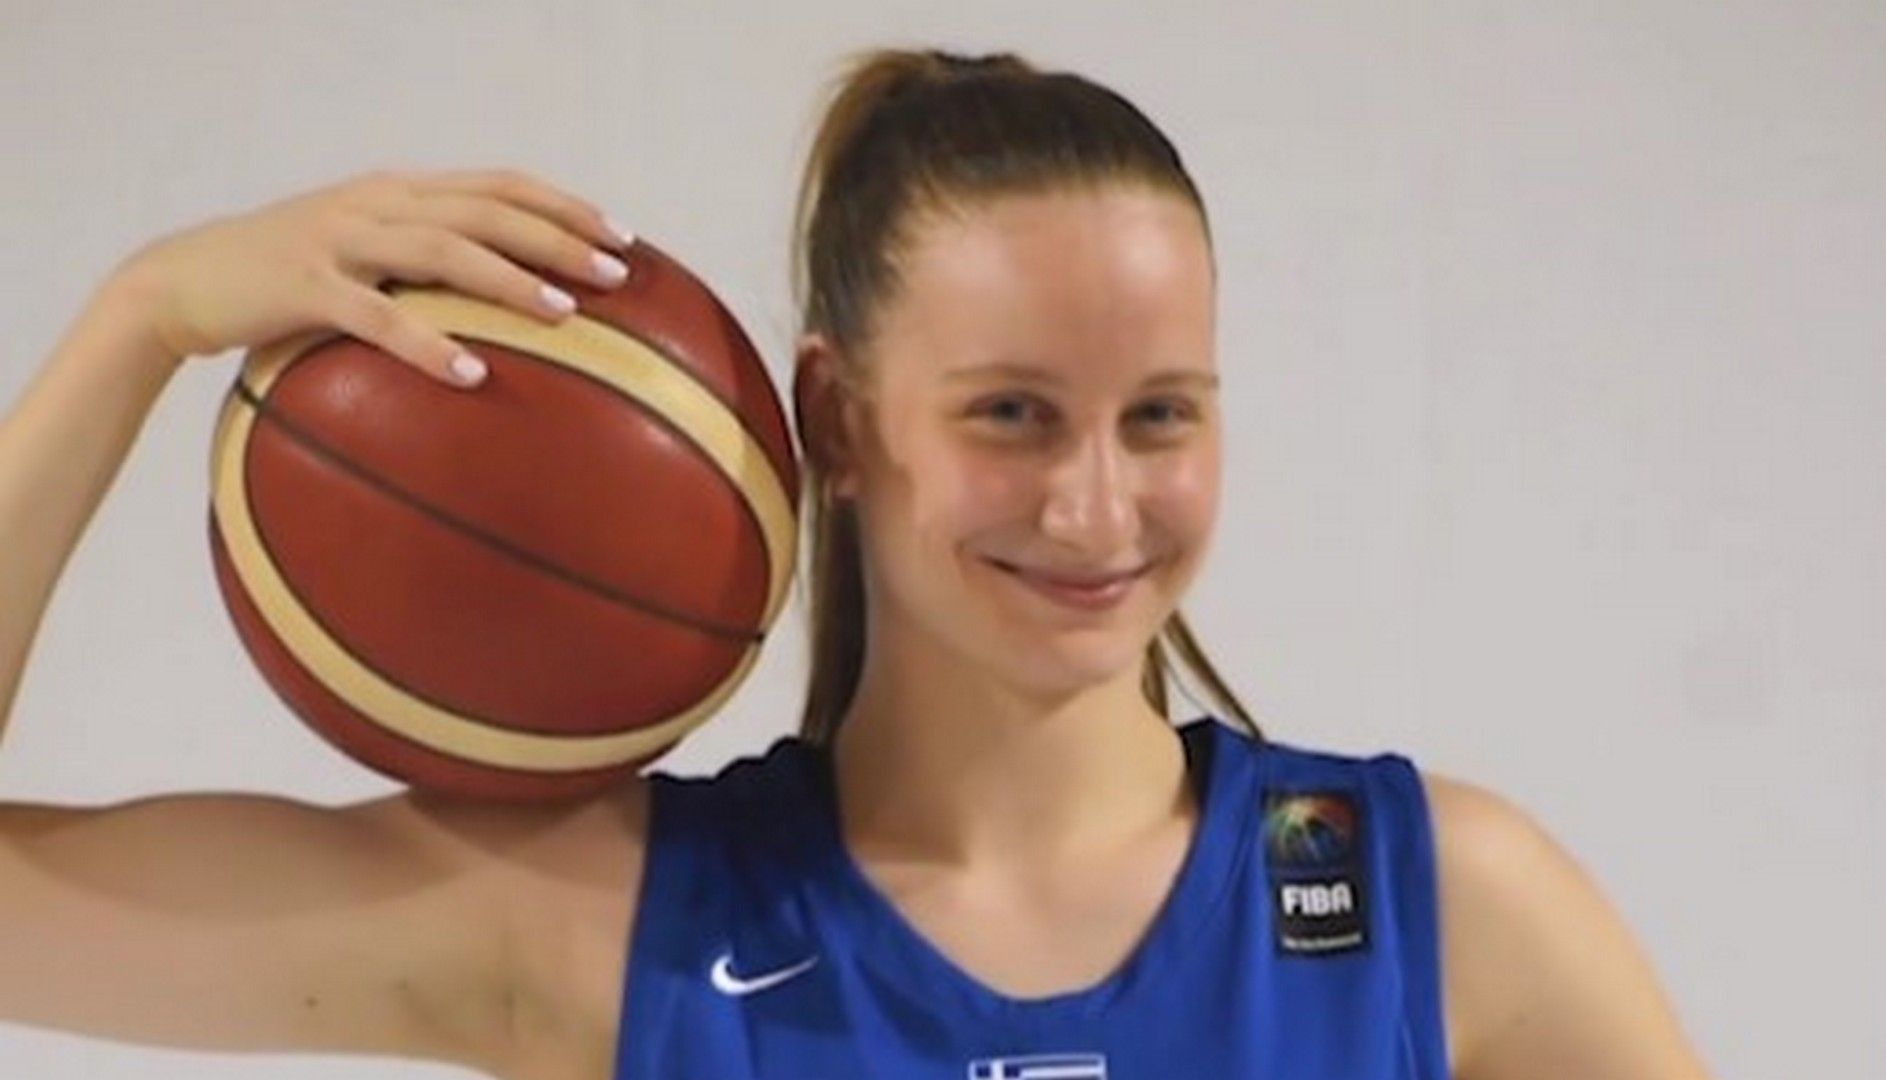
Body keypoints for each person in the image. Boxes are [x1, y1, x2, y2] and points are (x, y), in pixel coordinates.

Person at [0, 45, 1713, 1080]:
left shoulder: (1434, 905)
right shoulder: (609, 925)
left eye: (1161, 416)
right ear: (834, 416)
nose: (1097, 509)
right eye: (1013, 414)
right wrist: (139, 319)